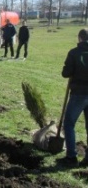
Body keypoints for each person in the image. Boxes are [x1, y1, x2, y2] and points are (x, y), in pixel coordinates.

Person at [57, 29, 88, 167]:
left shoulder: (74, 52)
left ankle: (71, 156)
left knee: (69, 124)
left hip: (79, 93)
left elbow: (66, 73)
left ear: (80, 38)